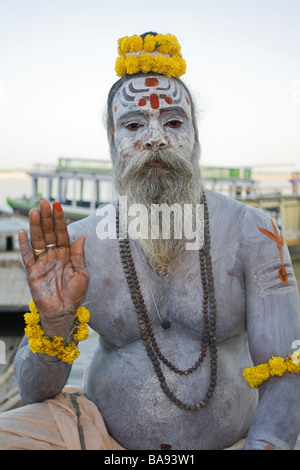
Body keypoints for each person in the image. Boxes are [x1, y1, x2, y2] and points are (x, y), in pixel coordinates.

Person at [0, 32, 300, 451]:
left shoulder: (255, 233)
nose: (155, 138)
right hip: (101, 440)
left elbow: (286, 375)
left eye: (174, 122)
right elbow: (35, 392)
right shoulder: (81, 245)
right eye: (134, 125)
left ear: (196, 137)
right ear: (113, 142)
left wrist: (264, 444)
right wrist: (55, 321)